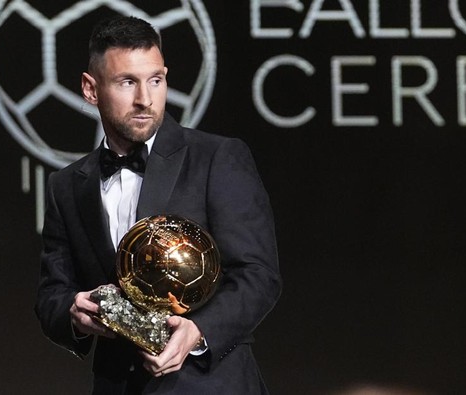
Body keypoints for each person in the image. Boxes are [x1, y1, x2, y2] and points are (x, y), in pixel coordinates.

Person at [34, 15, 282, 395]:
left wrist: (198, 332)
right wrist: (74, 312)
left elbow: (258, 274)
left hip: (212, 385)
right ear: (90, 88)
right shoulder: (66, 186)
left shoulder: (216, 157)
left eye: (156, 80)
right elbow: (52, 295)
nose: (145, 99)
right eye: (127, 82)